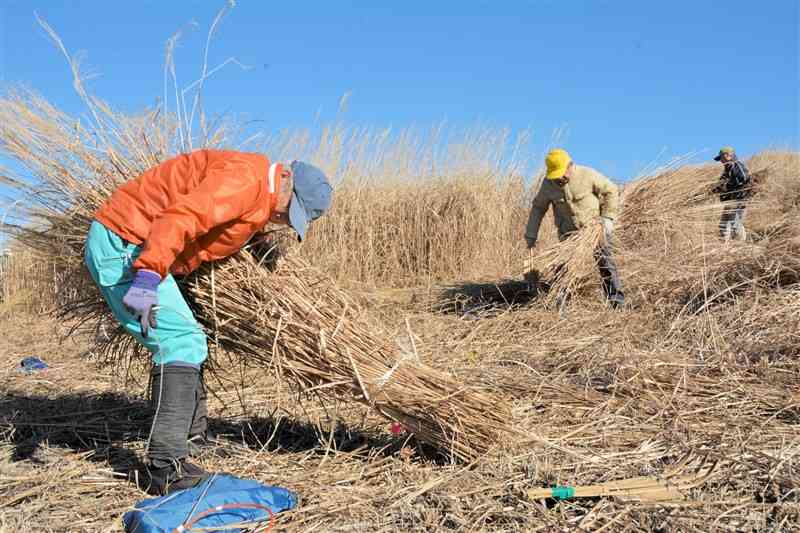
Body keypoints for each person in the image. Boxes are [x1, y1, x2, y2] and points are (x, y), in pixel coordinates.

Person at [83, 149, 333, 495]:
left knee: (193, 339)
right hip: (127, 245)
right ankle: (165, 467)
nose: (284, 220)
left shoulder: (259, 191)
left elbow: (228, 223)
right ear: (285, 180)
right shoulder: (245, 180)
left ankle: (193, 437)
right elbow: (181, 218)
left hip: (142, 245)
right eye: (289, 212)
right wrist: (147, 277)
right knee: (181, 340)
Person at [524, 148, 624, 308]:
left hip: (595, 231)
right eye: (556, 174)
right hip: (568, 235)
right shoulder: (548, 184)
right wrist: (531, 235)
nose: (560, 178)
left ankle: (617, 303)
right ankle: (561, 306)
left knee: (606, 264)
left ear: (570, 165)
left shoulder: (587, 174)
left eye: (562, 172)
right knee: (563, 269)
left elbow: (610, 189)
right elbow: (538, 208)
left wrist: (608, 218)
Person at [712, 146, 752, 241]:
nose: (721, 161)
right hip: (731, 201)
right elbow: (720, 184)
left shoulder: (737, 165)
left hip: (738, 200)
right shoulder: (727, 170)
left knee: (735, 223)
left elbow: (744, 178)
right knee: (723, 224)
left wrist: (728, 186)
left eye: (721, 158)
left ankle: (741, 245)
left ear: (728, 155)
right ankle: (723, 245)